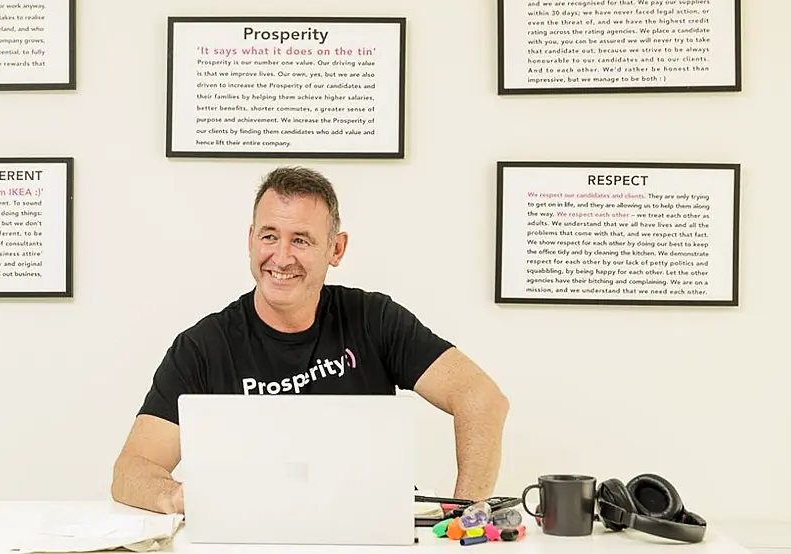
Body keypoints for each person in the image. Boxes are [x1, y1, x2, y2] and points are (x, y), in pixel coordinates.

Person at [110, 166, 509, 515]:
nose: (281, 257)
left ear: (336, 249)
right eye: (269, 236)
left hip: (367, 535)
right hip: (247, 538)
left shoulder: (374, 320)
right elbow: (131, 470)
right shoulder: (202, 347)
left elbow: (481, 398)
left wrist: (466, 516)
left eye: (300, 240)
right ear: (250, 240)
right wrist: (178, 497)